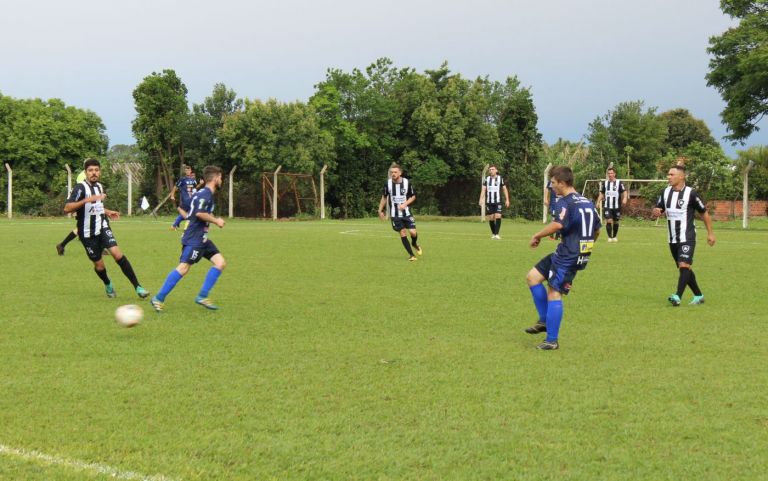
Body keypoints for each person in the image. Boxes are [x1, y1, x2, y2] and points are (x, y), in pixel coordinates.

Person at [524, 166, 601, 350]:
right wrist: (587, 246)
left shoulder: (565, 201)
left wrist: (537, 235)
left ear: (562, 182)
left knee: (554, 292)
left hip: (568, 255)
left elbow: (557, 224)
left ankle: (551, 340)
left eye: (553, 183)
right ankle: (544, 320)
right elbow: (597, 230)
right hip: (568, 251)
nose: (551, 186)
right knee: (533, 277)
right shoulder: (587, 201)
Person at [63, 159, 149, 298]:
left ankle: (138, 287)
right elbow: (67, 208)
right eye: (90, 170)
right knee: (99, 266)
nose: (94, 173)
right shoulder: (80, 188)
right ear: (85, 173)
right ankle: (108, 284)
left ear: (100, 172)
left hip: (102, 226)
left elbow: (96, 207)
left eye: (96, 170)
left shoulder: (99, 187)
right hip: (86, 233)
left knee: (117, 254)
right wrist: (86, 200)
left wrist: (107, 211)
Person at [151, 165, 227, 312]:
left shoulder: (202, 193)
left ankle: (202, 296)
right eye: (221, 177)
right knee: (183, 267)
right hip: (195, 238)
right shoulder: (205, 194)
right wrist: (216, 220)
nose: (221, 180)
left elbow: (192, 211)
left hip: (202, 238)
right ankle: (158, 298)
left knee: (220, 263)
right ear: (216, 178)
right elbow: (199, 213)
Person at [652, 165, 715, 306]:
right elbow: (659, 208)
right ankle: (699, 296)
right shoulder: (665, 192)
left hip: (687, 236)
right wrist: (656, 211)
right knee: (685, 268)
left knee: (683, 265)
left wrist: (710, 233)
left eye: (671, 174)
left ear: (681, 176)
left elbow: (704, 212)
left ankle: (677, 296)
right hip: (672, 237)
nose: (668, 176)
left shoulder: (691, 193)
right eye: (668, 174)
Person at [378, 163, 422, 261]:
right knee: (402, 232)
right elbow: (384, 197)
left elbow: (413, 196)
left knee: (413, 232)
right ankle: (412, 255)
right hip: (395, 214)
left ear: (400, 173)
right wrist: (380, 210)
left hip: (406, 213)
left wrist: (405, 204)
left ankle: (414, 243)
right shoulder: (388, 184)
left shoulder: (407, 183)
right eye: (391, 172)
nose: (393, 174)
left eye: (395, 172)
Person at [56, 169, 86, 255]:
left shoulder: (89, 174)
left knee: (89, 227)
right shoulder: (82, 176)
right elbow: (81, 190)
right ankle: (62, 245)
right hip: (83, 203)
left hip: (86, 204)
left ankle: (62, 245)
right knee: (84, 228)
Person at [596, 167, 627, 242]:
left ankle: (614, 236)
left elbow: (624, 191)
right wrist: (598, 202)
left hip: (616, 206)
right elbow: (602, 193)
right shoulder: (605, 183)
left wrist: (625, 198)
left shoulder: (619, 182)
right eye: (609, 173)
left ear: (614, 174)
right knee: (609, 220)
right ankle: (610, 237)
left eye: (611, 173)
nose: (610, 175)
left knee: (616, 221)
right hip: (607, 206)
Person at [479, 165, 510, 239]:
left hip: (498, 201)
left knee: (498, 216)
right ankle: (493, 233)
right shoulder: (487, 179)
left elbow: (504, 189)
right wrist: (481, 199)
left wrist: (507, 199)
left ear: (496, 170)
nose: (491, 171)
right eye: (490, 170)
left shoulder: (500, 178)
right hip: (489, 202)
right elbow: (483, 190)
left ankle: (497, 234)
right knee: (491, 218)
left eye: (492, 169)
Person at [170, 165, 203, 230]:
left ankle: (174, 225)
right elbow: (175, 186)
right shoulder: (182, 179)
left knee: (186, 213)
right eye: (186, 170)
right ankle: (185, 227)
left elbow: (195, 188)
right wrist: (172, 195)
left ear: (191, 171)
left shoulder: (193, 180)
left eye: (189, 170)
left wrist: (201, 184)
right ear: (185, 171)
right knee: (192, 213)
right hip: (185, 199)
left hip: (191, 199)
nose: (188, 171)